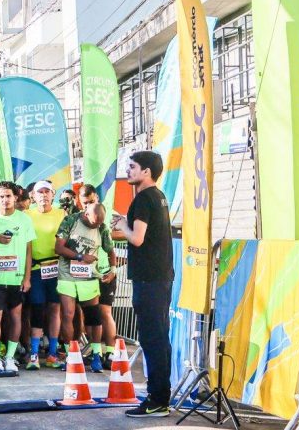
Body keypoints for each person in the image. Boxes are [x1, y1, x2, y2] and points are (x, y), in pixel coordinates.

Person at [112, 151, 174, 418]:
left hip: (150, 280)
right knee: (158, 338)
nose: (128, 170)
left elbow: (137, 238)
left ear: (146, 171)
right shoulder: (158, 196)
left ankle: (158, 399)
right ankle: (160, 396)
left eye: (133, 166)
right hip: (158, 278)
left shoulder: (144, 199)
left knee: (152, 339)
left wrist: (121, 224)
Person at [55, 185, 114, 373]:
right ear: (86, 214)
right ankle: (71, 355)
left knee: (93, 316)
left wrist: (112, 269)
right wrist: (80, 257)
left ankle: (97, 355)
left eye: (100, 223)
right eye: (94, 223)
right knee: (68, 314)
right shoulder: (70, 220)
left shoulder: (102, 228)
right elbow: (59, 248)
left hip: (88, 277)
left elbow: (110, 251)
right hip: (67, 274)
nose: (96, 226)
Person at [0, 182, 35, 372]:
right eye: (1, 196)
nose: (5, 200)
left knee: (16, 317)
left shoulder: (24, 219)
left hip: (16, 278)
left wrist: (27, 278)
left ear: (15, 197)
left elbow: (29, 251)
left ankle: (10, 358)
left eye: (9, 196)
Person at [24, 180, 67, 369]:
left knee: (55, 309)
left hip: (56, 267)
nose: (43, 196)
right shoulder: (26, 215)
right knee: (37, 308)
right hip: (35, 268)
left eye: (46, 192)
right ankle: (34, 354)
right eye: (39, 192)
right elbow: (26, 246)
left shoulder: (61, 214)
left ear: (53, 194)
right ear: (33, 196)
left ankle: (52, 353)